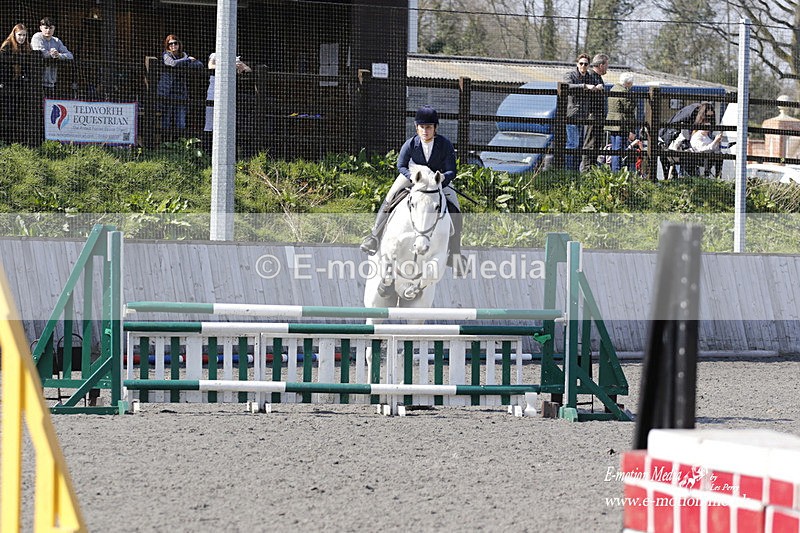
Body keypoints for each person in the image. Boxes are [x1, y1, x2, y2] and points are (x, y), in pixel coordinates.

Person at [359, 106, 466, 274]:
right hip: (413, 178)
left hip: (437, 182)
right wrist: (411, 176)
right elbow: (400, 165)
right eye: (422, 127)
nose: (425, 130)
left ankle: (455, 253)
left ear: (435, 128)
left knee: (455, 208)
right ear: (417, 127)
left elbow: (452, 170)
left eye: (429, 127)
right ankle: (374, 236)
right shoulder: (410, 144)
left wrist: (444, 178)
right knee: (390, 197)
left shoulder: (444, 145)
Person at [157, 34, 203, 141]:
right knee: (166, 121)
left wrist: (189, 61)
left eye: (175, 43)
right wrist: (187, 60)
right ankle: (165, 144)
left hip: (180, 94)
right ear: (167, 46)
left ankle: (179, 145)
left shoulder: (183, 55)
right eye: (170, 43)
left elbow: (199, 65)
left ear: (179, 44)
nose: (173, 45)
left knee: (180, 122)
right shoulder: (166, 55)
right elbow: (172, 63)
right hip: (167, 93)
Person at [203, 52, 251, 152]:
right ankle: (207, 150)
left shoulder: (234, 57)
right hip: (214, 91)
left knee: (229, 120)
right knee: (210, 120)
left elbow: (248, 70)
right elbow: (210, 66)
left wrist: (241, 66)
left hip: (230, 93)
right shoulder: (214, 55)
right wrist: (228, 66)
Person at [0, 23, 37, 145]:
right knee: (7, 111)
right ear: (14, 34)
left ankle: (15, 141)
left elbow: (28, 66)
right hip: (6, 83)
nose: (22, 38)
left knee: (17, 112)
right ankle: (5, 141)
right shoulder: (7, 46)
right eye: (19, 35)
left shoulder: (27, 48)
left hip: (20, 84)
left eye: (24, 35)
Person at [605, 72, 640, 173]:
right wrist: (633, 99)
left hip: (612, 122)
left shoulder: (613, 88)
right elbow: (629, 107)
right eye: (631, 83)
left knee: (615, 147)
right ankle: (617, 171)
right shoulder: (624, 91)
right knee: (619, 149)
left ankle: (614, 170)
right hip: (621, 123)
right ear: (628, 83)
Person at [563, 53, 593, 171]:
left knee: (581, 145)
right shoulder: (570, 74)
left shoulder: (589, 76)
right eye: (581, 63)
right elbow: (567, 86)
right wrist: (584, 86)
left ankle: (577, 171)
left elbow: (595, 83)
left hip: (584, 115)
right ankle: (569, 170)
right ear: (577, 64)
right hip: (572, 115)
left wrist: (597, 86)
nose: (583, 66)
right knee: (573, 144)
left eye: (586, 64)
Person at [580, 53, 609, 173]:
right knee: (590, 144)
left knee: (596, 144)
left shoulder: (597, 77)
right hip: (592, 115)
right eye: (607, 65)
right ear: (601, 65)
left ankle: (592, 169)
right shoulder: (590, 76)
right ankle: (586, 170)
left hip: (599, 115)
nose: (607, 68)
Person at [30, 17, 72, 98]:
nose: (48, 30)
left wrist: (59, 55)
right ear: (40, 28)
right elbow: (39, 52)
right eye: (45, 28)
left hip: (52, 82)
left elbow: (70, 55)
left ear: (54, 28)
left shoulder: (56, 41)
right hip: (37, 81)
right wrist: (52, 54)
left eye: (51, 28)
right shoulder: (37, 37)